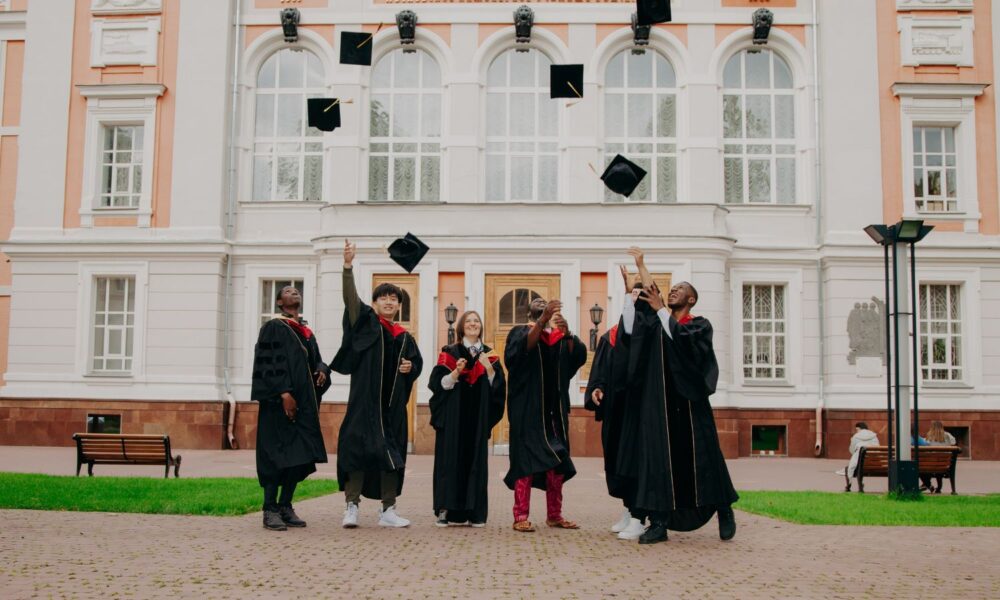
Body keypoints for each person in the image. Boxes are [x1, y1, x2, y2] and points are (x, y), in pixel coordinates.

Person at [624, 247, 739, 545]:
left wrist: (661, 308)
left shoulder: (699, 325)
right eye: (671, 288)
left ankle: (723, 508)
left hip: (689, 406)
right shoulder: (656, 325)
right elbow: (649, 298)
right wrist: (641, 264)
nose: (673, 291)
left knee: (705, 460)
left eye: (680, 290)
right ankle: (659, 523)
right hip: (660, 407)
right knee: (658, 462)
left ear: (691, 299)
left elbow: (685, 344)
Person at [331, 240, 423, 528]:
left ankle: (388, 511)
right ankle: (351, 506)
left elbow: (416, 364)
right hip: (364, 403)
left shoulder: (405, 337)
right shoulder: (366, 322)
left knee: (391, 456)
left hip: (392, 408)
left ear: (399, 306)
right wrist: (348, 266)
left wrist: (411, 367)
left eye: (394, 299)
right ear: (374, 303)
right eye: (383, 297)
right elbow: (349, 299)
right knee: (357, 451)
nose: (389, 301)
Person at [504, 297, 587, 532]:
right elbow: (518, 355)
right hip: (527, 412)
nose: (541, 302)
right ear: (529, 312)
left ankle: (554, 515)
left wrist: (567, 332)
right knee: (525, 463)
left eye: (544, 301)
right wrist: (543, 320)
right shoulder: (520, 332)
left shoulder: (558, 338)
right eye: (536, 302)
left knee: (557, 461)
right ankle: (520, 516)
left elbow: (576, 358)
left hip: (554, 412)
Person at [251, 285, 330, 531]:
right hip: (279, 407)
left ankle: (286, 505)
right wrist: (284, 393)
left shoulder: (305, 331)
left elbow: (316, 359)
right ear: (279, 302)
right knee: (276, 455)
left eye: (296, 290)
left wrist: (322, 370)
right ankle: (269, 509)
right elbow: (268, 364)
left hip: (304, 407)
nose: (294, 291)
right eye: (287, 290)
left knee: (298, 456)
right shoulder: (274, 327)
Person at [428, 310, 506, 527]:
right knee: (448, 461)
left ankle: (475, 512)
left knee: (476, 463)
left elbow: (499, 389)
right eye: (469, 321)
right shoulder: (450, 352)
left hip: (477, 419)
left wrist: (489, 370)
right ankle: (445, 509)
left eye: (477, 321)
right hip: (453, 418)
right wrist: (455, 372)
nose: (473, 324)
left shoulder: (490, 355)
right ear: (462, 327)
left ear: (481, 327)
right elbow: (438, 385)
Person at [585, 266, 645, 540]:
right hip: (615, 411)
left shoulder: (646, 332)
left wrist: (630, 293)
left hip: (638, 408)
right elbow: (599, 370)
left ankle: (639, 513)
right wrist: (596, 388)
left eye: (636, 293)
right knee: (617, 460)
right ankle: (629, 508)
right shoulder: (610, 336)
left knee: (634, 460)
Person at [921, 420, 957, 493]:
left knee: (921, 469)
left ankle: (927, 484)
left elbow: (925, 445)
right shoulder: (948, 435)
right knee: (939, 467)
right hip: (944, 465)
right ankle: (939, 487)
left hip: (931, 464)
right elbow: (954, 442)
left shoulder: (929, 436)